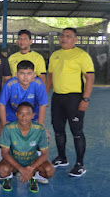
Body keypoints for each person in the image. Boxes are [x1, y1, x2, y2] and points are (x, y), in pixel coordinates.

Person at [47, 27, 94, 176]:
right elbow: (50, 78)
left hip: (74, 98)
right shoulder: (55, 55)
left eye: (68, 36)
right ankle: (62, 158)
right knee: (58, 129)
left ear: (75, 40)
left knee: (77, 131)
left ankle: (80, 164)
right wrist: (43, 97)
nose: (64, 38)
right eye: (62, 35)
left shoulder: (81, 55)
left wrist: (85, 99)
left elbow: (90, 78)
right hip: (57, 98)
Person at [0, 102, 54, 193]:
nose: (24, 117)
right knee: (2, 171)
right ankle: (9, 177)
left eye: (28, 114)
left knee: (49, 171)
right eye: (21, 113)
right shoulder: (8, 128)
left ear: (32, 115)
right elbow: (4, 153)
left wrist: (30, 169)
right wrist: (21, 169)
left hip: (32, 160)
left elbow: (45, 154)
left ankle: (33, 177)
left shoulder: (39, 129)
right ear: (16, 114)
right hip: (14, 160)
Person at [0, 60, 48, 136]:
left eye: (29, 73)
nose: (25, 77)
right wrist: (4, 125)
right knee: (3, 135)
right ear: (16, 75)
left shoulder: (39, 84)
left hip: (32, 114)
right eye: (22, 73)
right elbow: (1, 104)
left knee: (44, 136)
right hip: (12, 113)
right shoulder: (9, 85)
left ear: (34, 75)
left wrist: (40, 126)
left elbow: (43, 105)